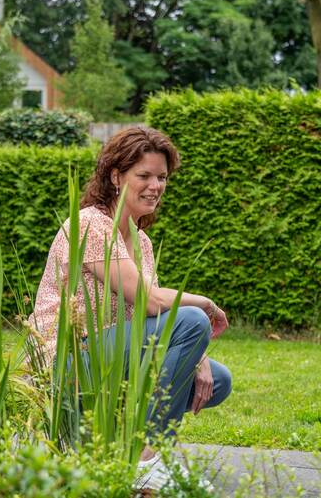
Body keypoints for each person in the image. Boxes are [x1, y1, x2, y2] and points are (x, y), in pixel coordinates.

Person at [28, 126, 232, 491]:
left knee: (218, 379)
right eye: (144, 175)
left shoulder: (142, 242)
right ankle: (148, 459)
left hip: (109, 353)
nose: (155, 185)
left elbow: (159, 315)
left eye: (162, 177)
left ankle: (129, 445)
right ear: (116, 176)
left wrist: (197, 356)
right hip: (67, 357)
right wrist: (206, 303)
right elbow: (151, 301)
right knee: (192, 318)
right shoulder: (89, 224)